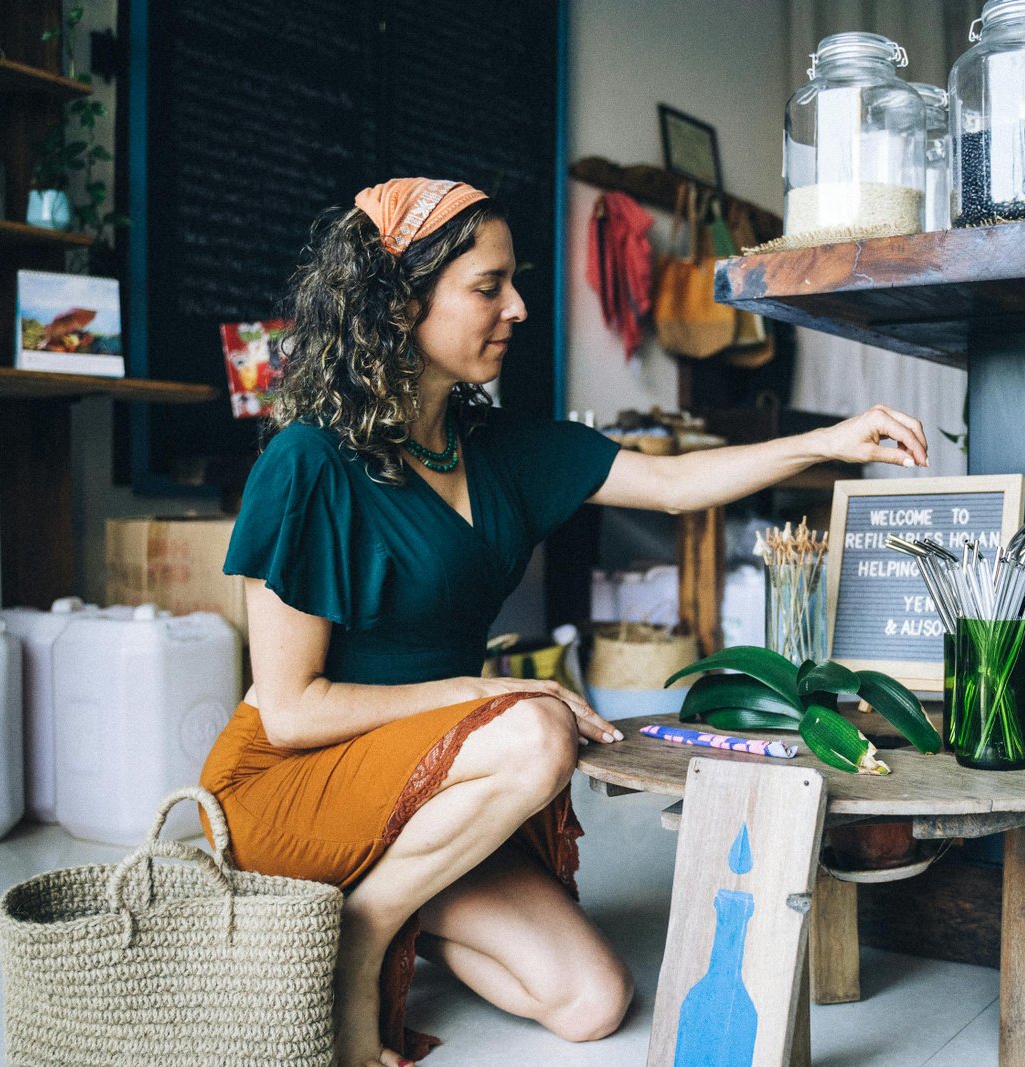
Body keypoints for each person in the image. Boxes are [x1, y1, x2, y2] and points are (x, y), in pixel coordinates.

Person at [198, 177, 929, 1067]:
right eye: (488, 286)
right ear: (399, 302)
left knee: (590, 1000)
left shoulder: (497, 447)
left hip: (424, 792)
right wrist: (482, 694)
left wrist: (826, 441)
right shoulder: (307, 461)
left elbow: (671, 483)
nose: (518, 307)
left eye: (514, 282)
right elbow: (290, 711)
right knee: (536, 728)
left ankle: (380, 901)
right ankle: (363, 931)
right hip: (292, 785)